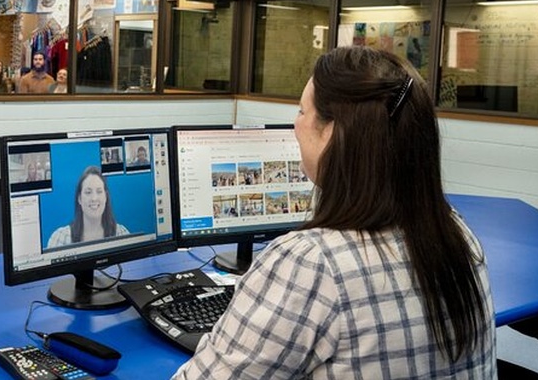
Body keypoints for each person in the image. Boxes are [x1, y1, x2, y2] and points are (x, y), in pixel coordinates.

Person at [172, 46, 495, 379]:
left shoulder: (311, 263)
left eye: (301, 111)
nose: (295, 125)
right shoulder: (457, 234)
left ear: (331, 132)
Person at [47, 166, 130, 248]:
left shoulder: (121, 233)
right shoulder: (60, 239)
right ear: (79, 199)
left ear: (106, 197)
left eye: (99, 191)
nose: (94, 198)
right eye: (88, 192)